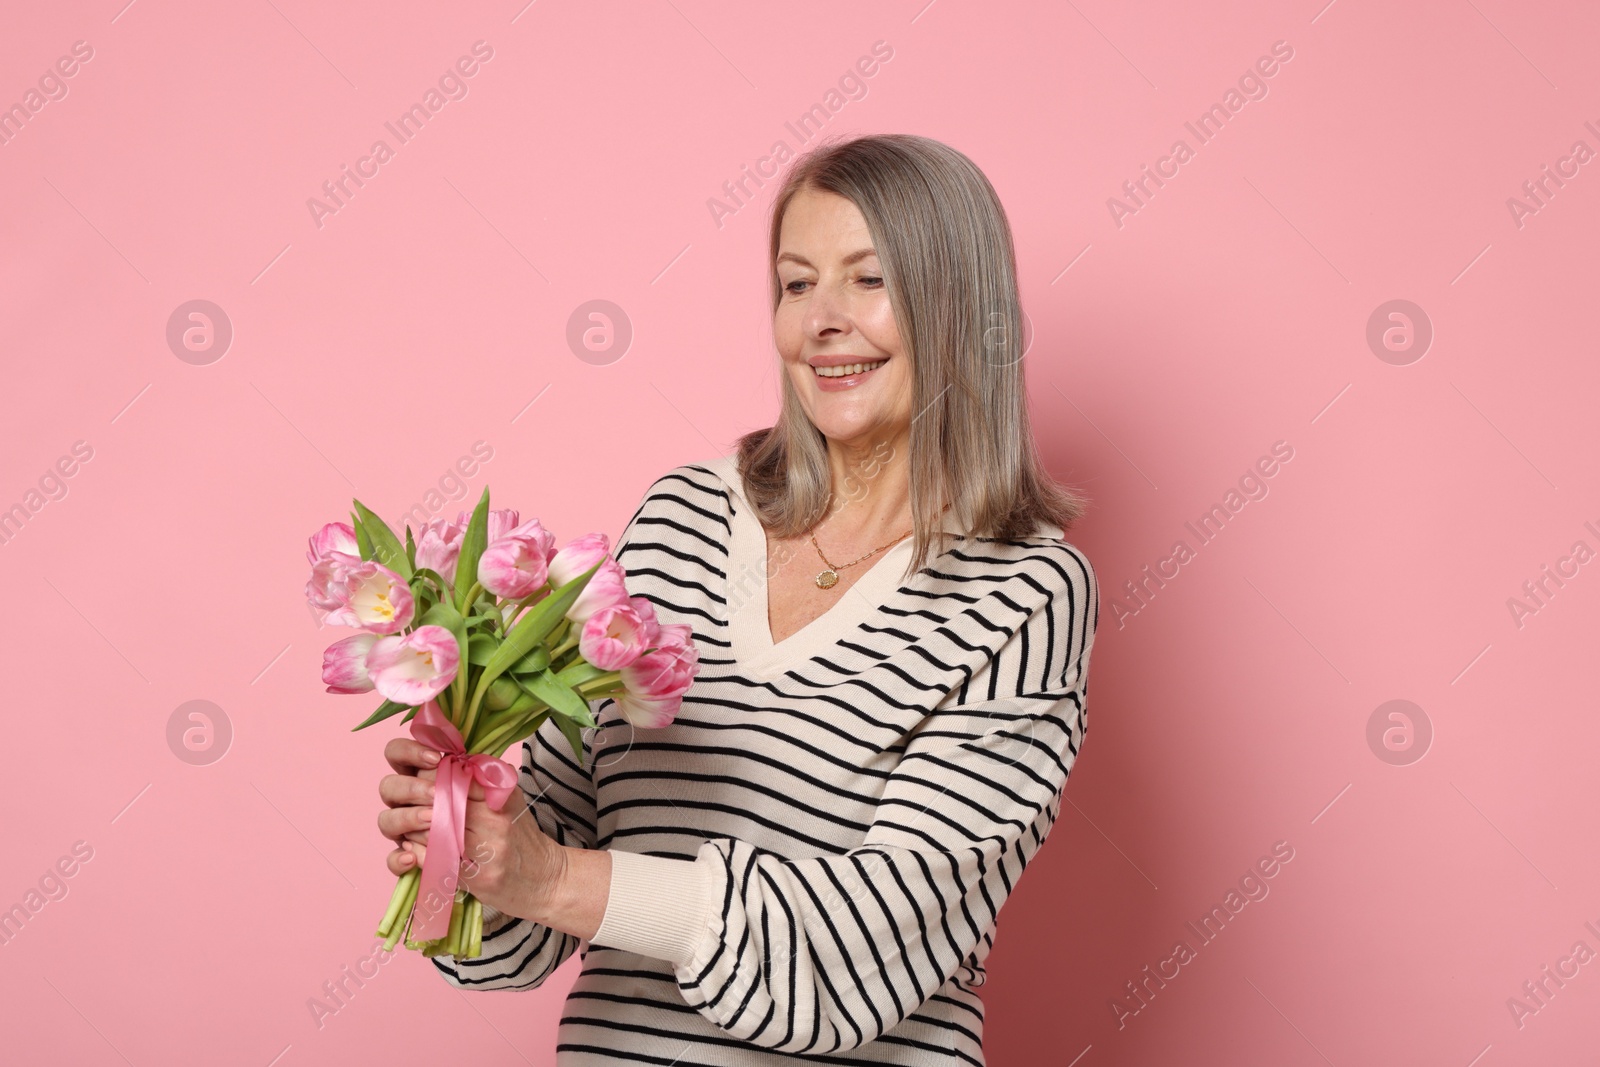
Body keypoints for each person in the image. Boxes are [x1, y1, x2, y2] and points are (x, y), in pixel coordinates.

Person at [377, 132, 1100, 1064]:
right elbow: (519, 926)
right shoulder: (680, 517)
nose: (820, 322)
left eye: (867, 279)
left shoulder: (1024, 592)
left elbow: (865, 949)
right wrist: (456, 848)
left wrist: (555, 878)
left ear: (961, 308)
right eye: (797, 284)